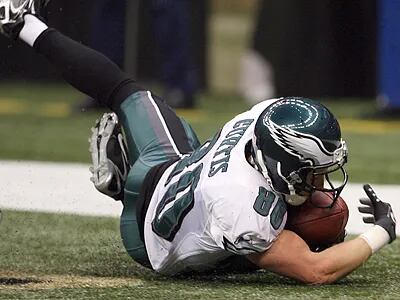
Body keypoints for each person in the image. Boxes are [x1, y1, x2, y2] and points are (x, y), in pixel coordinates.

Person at [0, 0, 396, 284]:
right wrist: (382, 231)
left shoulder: (263, 115)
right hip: (147, 239)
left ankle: (24, 25)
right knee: (318, 226)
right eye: (310, 173)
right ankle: (126, 194)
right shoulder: (241, 208)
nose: (320, 183)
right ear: (281, 164)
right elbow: (317, 270)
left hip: (175, 165)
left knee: (126, 92)